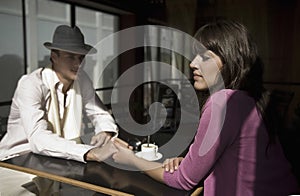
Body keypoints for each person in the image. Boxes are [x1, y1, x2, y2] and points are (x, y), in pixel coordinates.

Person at [112, 20, 299, 195]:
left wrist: (131, 160)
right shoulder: (251, 99)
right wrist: (190, 163)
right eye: (195, 55)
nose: (193, 63)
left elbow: (183, 181)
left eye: (205, 57)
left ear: (230, 61)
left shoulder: (223, 103)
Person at [0, 25, 119, 163]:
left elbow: (99, 113)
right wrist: (90, 153)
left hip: (55, 159)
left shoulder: (82, 79)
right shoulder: (31, 84)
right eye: (71, 57)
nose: (78, 64)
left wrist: (105, 131)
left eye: (81, 57)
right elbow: (38, 138)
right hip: (16, 159)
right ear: (54, 57)